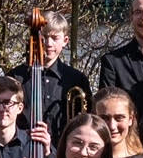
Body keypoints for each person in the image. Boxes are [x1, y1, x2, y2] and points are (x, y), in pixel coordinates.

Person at [17, 8, 90, 148]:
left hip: (65, 153)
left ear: (65, 41)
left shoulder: (76, 79)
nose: (48, 43)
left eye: (55, 38)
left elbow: (86, 122)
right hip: (23, 152)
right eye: (43, 37)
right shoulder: (16, 78)